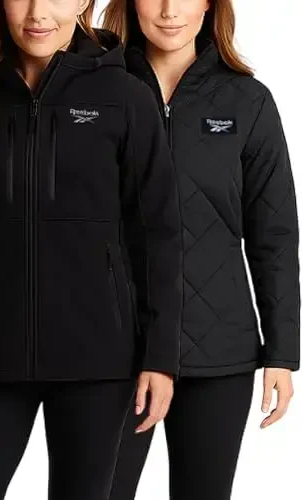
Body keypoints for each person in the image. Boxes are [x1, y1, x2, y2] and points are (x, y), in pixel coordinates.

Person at [0, 1, 184, 499]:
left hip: (98, 363)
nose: (37, 13)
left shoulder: (126, 98)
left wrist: (161, 356)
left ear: (83, 2)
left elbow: (157, 235)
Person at [102, 0, 300, 498]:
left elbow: (274, 235)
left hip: (219, 353)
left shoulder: (247, 101)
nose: (170, 10)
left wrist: (282, 353)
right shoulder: (97, 93)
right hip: (115, 349)